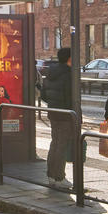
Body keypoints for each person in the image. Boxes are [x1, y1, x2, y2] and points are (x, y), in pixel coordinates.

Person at [41, 47, 74, 188]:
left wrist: (54, 103)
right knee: (62, 145)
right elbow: (71, 97)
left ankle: (51, 176)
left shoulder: (50, 72)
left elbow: (43, 95)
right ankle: (59, 177)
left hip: (53, 113)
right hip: (66, 114)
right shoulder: (68, 74)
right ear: (69, 59)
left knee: (55, 143)